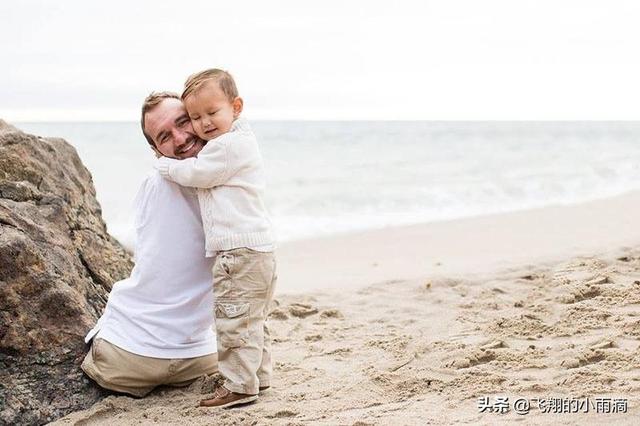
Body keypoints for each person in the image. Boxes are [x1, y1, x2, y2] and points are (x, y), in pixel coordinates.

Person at [81, 92, 218, 397]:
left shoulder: (159, 182)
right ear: (156, 151)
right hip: (197, 356)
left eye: (183, 122)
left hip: (129, 357)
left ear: (198, 118)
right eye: (164, 136)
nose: (181, 138)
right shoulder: (222, 183)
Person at [155, 69, 277, 408]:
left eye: (212, 112)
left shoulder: (226, 146)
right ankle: (257, 377)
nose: (204, 123)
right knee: (251, 320)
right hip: (256, 250)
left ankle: (238, 386)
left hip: (239, 251)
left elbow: (198, 174)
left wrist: (165, 166)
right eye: (195, 117)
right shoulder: (235, 141)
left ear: (235, 107)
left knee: (233, 318)